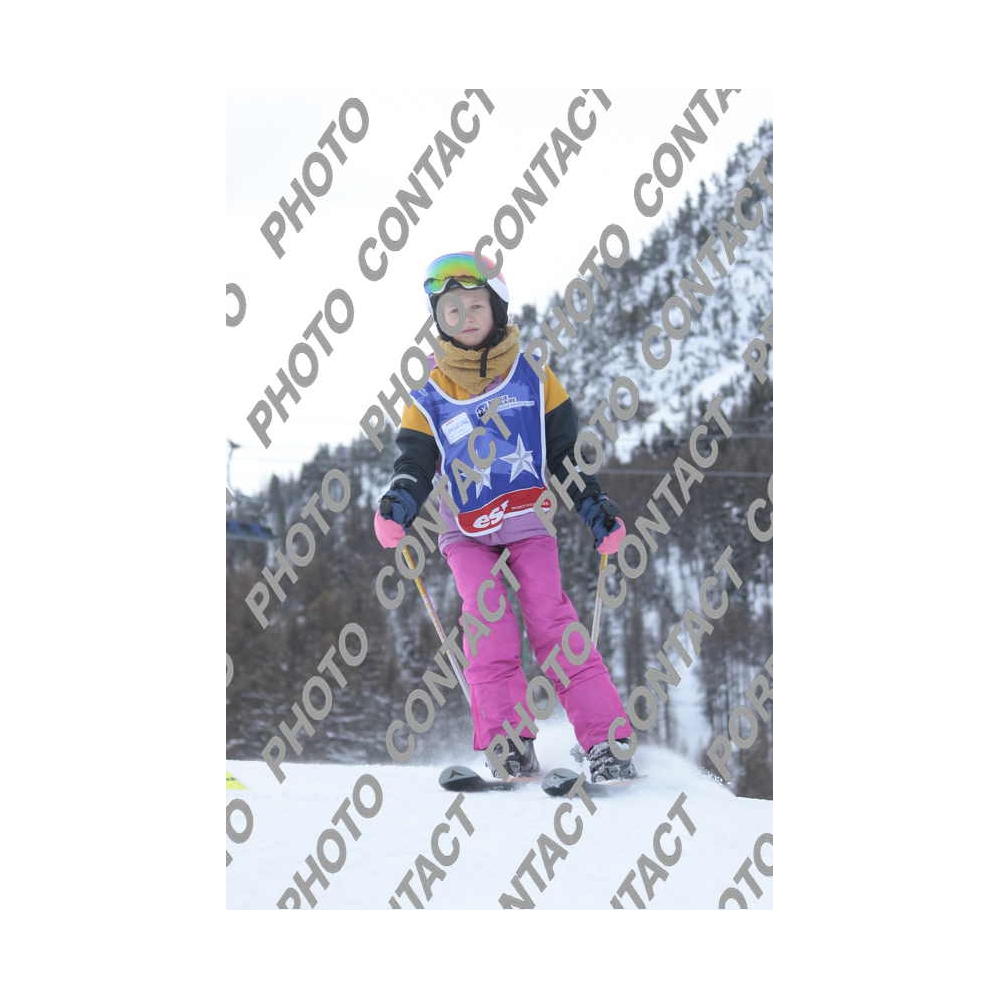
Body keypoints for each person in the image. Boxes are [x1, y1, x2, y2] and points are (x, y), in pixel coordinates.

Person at [373, 251, 636, 782]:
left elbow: (564, 455)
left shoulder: (535, 378)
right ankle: (509, 743)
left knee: (552, 624)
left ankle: (606, 742)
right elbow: (414, 465)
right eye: (451, 310)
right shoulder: (427, 398)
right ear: (438, 320)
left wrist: (595, 508)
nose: (464, 317)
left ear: (497, 309)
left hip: (528, 525)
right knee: (487, 627)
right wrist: (398, 504)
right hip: (467, 533)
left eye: (475, 305)